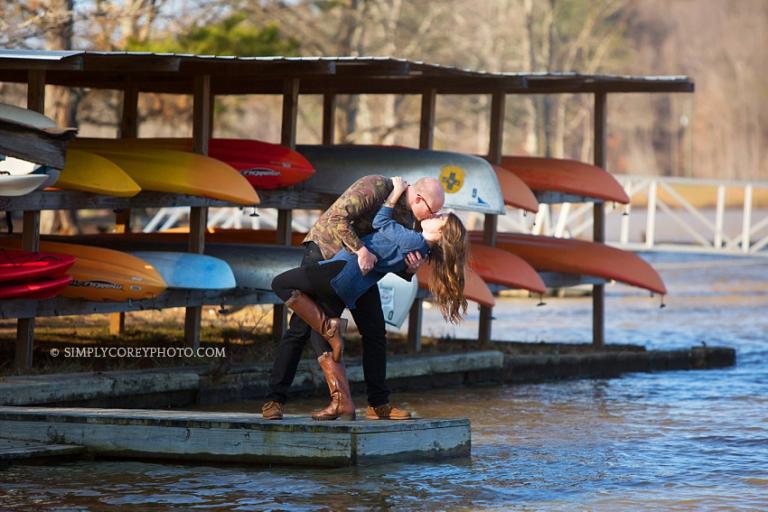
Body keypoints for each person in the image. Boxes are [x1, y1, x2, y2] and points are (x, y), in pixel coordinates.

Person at [270, 177, 468, 420]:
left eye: (437, 214)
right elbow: (337, 219)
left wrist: (410, 269)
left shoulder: (412, 220)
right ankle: (276, 400)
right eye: (432, 211)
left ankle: (378, 404)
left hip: (361, 271)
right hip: (327, 253)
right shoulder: (377, 187)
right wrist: (361, 250)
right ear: (418, 198)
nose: (431, 216)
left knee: (375, 331)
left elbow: (390, 257)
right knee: (300, 329)